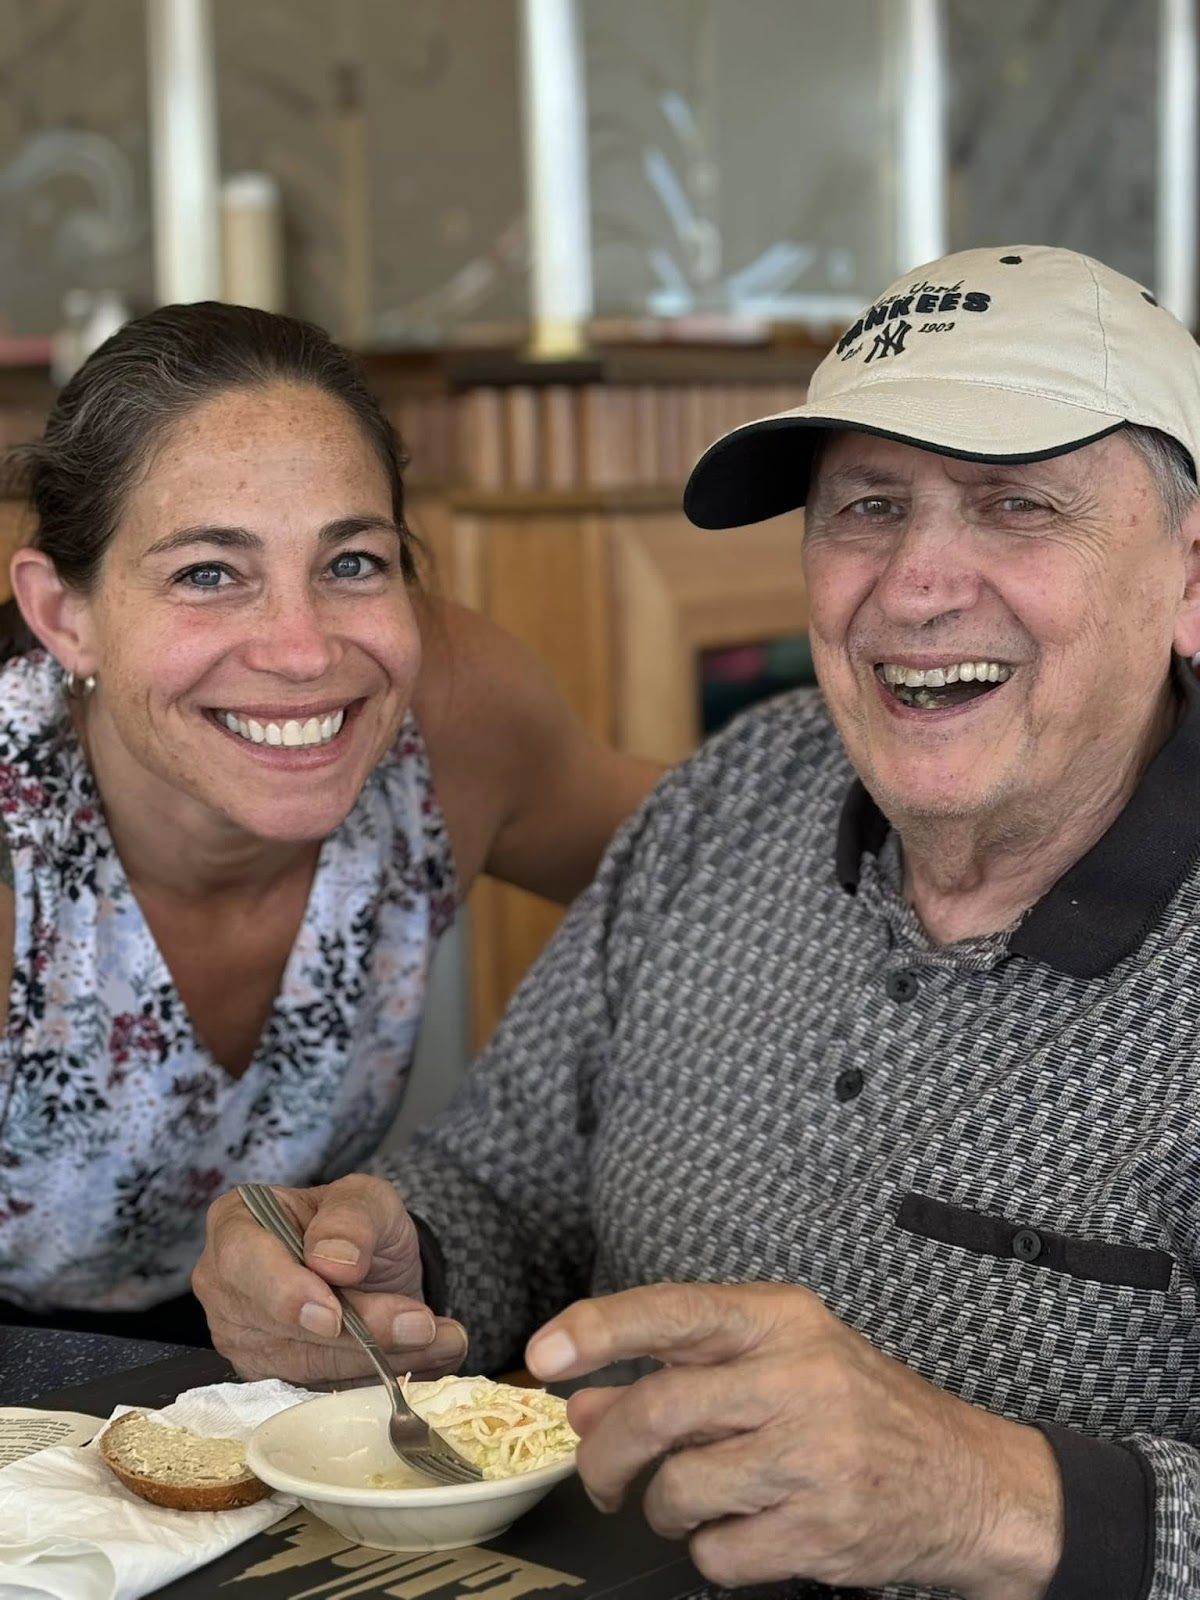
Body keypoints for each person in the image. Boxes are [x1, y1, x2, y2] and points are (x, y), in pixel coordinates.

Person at [194, 244, 1200, 1598]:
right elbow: (507, 1181)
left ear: (1189, 578)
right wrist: (393, 1257)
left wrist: (993, 1498)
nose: (914, 584)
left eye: (1016, 506)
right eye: (867, 507)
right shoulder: (734, 797)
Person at [0, 301, 658, 1348]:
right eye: (208, 574)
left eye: (352, 561)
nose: (303, 651)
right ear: (62, 613)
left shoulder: (456, 716)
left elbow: (721, 866)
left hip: (278, 1351)